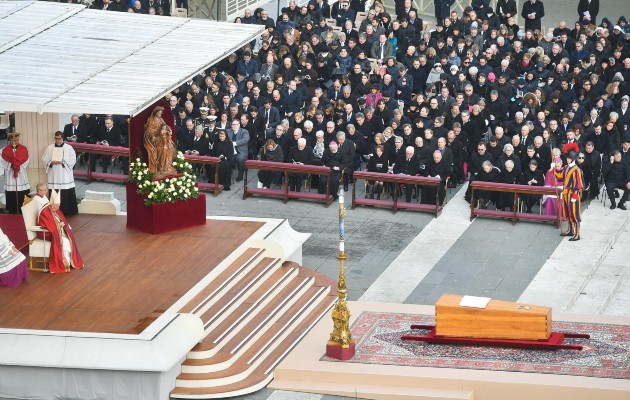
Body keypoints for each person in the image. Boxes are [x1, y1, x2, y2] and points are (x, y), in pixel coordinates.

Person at [36, 184, 84, 273]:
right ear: (52, 205)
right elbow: (48, 225)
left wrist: (64, 225)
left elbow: (62, 220)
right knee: (65, 242)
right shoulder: (45, 212)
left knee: (70, 238)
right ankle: (63, 263)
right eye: (57, 206)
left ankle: (69, 261)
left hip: (58, 230)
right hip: (46, 233)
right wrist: (59, 225)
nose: (58, 208)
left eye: (59, 206)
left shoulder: (55, 209)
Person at [42, 131, 78, 216]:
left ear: (63, 138)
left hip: (64, 174)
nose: (57, 140)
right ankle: (54, 210)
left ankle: (67, 211)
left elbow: (73, 160)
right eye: (56, 138)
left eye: (59, 139)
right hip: (54, 173)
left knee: (65, 192)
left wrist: (63, 162)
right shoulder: (50, 148)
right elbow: (44, 159)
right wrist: (51, 162)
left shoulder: (68, 148)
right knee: (55, 191)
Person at [554, 151, 584, 241]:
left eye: (569, 158)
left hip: (573, 194)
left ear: (573, 159)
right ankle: (570, 230)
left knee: (575, 214)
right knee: (568, 212)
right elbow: (561, 176)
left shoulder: (577, 170)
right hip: (566, 193)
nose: (567, 159)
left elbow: (578, 185)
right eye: (567, 158)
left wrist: (575, 196)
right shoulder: (566, 167)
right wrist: (554, 170)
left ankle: (577, 234)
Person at [1, 132, 30, 214]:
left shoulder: (23, 149)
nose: (16, 141)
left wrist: (18, 166)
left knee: (21, 191)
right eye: (14, 140)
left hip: (21, 174)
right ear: (10, 140)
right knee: (11, 191)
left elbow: (27, 160)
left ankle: (23, 208)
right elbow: (3, 161)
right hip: (10, 174)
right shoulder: (5, 150)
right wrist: (11, 165)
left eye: (17, 140)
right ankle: (12, 209)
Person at [144, 106, 166, 174]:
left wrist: (166, 130)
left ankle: (161, 167)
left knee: (165, 149)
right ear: (155, 112)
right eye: (159, 112)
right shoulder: (151, 119)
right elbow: (149, 130)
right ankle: (154, 169)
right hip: (151, 140)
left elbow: (165, 127)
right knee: (154, 151)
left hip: (160, 138)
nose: (160, 114)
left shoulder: (161, 120)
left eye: (161, 113)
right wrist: (153, 136)